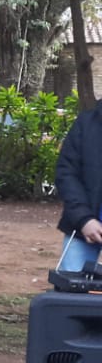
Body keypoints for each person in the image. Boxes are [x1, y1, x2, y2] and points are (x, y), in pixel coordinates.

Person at [55, 98, 102, 272]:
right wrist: (84, 219)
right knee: (72, 287)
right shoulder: (86, 123)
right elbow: (66, 174)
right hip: (83, 228)